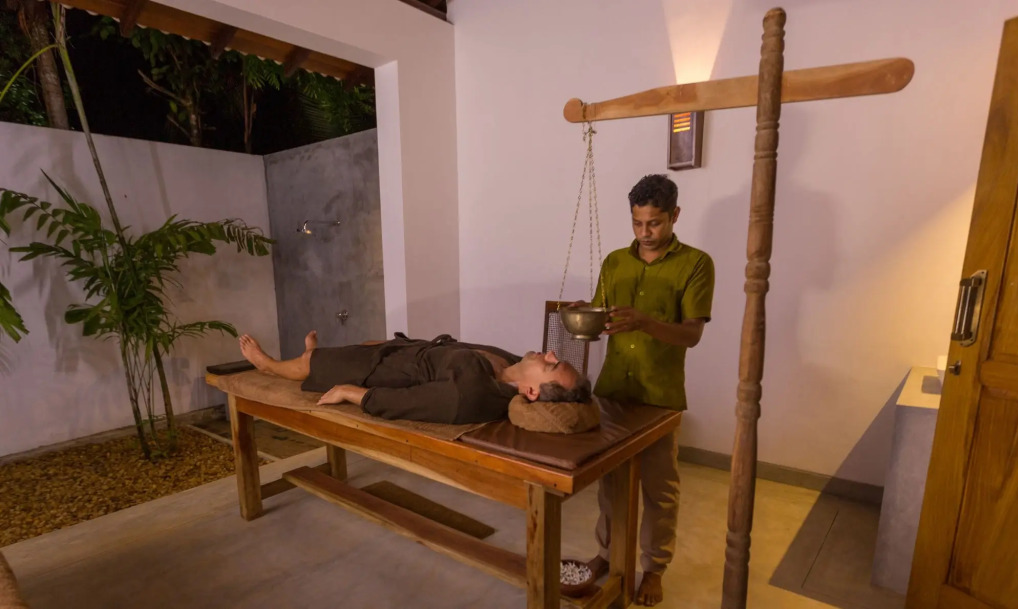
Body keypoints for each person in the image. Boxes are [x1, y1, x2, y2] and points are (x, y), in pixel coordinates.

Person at [584, 174, 714, 606]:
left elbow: (691, 335)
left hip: (660, 396)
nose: (645, 232)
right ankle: (606, 554)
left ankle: (654, 568)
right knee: (611, 485)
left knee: (659, 489)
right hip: (613, 389)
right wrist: (586, 318)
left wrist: (645, 322)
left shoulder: (696, 264)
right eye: (637, 223)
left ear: (675, 215)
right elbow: (602, 317)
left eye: (654, 223)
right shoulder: (614, 262)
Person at [237, 331, 591, 425]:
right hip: (408, 349)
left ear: (531, 392)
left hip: (386, 371)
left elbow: (409, 402)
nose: (550, 353)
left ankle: (270, 365)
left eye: (550, 365)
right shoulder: (512, 362)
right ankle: (316, 355)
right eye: (555, 358)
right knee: (365, 343)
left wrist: (351, 392)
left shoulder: (472, 394)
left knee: (312, 362)